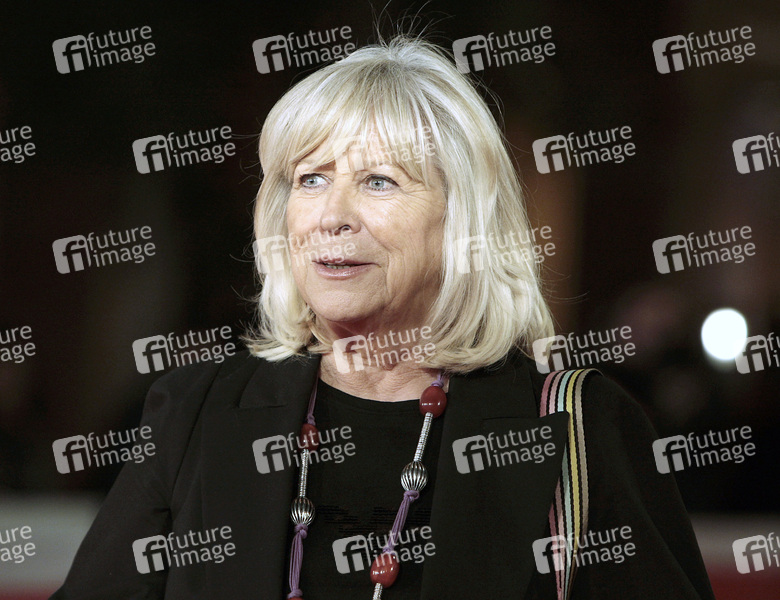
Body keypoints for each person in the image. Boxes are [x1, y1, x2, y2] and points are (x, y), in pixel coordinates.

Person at [51, 36, 715, 599]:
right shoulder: (195, 413)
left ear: (461, 220)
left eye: (379, 181)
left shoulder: (578, 426)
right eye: (311, 179)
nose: (332, 215)